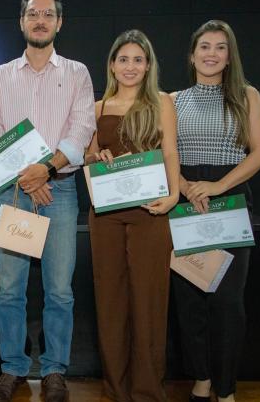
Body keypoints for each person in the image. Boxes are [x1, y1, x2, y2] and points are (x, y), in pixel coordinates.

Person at [0, 0, 96, 402]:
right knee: (9, 289)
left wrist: (45, 170)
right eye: (33, 13)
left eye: (48, 14)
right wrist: (31, 178)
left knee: (59, 291)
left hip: (61, 193)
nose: (40, 20)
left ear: (59, 22)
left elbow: (81, 130)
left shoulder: (78, 73)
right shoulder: (0, 76)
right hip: (13, 194)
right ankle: (12, 368)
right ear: (22, 21)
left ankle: (53, 371)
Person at [170, 20, 260, 402]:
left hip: (229, 199)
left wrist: (216, 186)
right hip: (185, 201)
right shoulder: (172, 100)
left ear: (229, 57)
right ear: (192, 55)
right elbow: (165, 154)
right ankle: (201, 379)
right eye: (205, 46)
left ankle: (225, 388)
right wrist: (185, 187)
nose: (211, 54)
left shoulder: (247, 95)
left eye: (220, 47)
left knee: (227, 301)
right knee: (189, 299)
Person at [84, 30, 180, 402]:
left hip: (151, 212)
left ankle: (148, 391)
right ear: (112, 65)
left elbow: (169, 152)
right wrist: (97, 157)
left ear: (148, 65)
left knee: (149, 301)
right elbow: (89, 156)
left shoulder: (162, 102)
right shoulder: (98, 107)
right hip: (106, 214)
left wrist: (173, 195)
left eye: (138, 60)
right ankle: (116, 390)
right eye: (123, 59)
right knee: (110, 301)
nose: (130, 66)